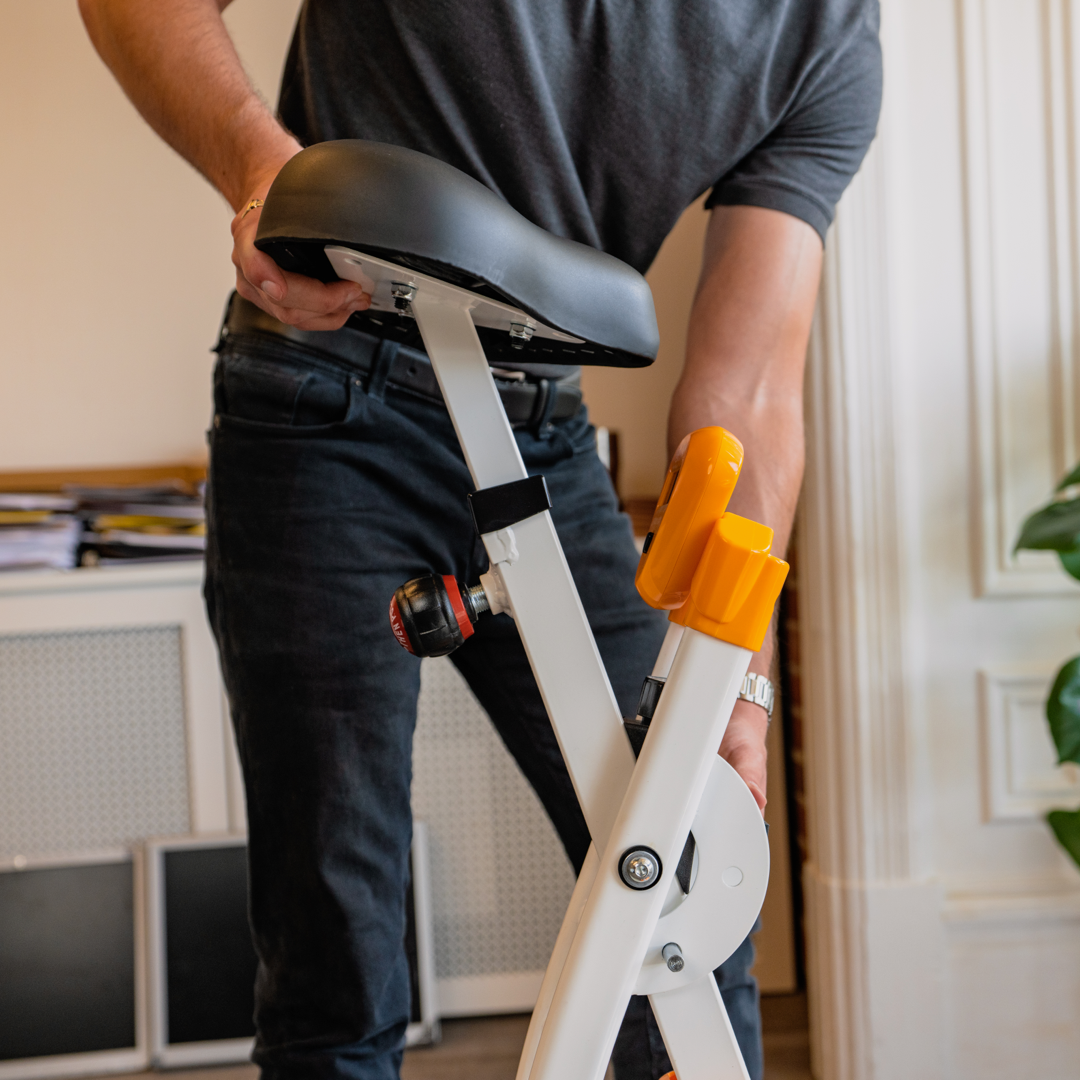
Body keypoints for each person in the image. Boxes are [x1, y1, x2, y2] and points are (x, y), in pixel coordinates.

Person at [78, 3, 881, 1078]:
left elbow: (750, 389)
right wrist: (265, 169)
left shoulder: (825, 30)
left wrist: (735, 670)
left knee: (681, 900)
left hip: (542, 436)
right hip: (323, 397)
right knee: (336, 953)